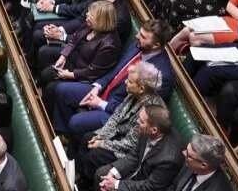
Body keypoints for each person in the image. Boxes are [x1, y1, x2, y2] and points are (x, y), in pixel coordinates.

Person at [49, 19, 175, 149]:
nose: (137, 36)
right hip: (104, 90)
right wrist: (98, 86)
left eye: (143, 36)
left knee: (76, 121)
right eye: (140, 33)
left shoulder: (161, 76)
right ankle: (68, 137)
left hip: (115, 111)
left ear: (156, 45)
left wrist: (100, 104)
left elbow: (134, 111)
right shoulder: (139, 44)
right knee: (61, 90)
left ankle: (72, 157)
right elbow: (116, 70)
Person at [75, 62, 167, 179]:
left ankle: (86, 185)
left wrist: (103, 143)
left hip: (130, 152)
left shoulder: (150, 112)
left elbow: (130, 144)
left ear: (141, 89)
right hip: (118, 136)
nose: (125, 82)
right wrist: (101, 135)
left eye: (129, 81)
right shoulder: (132, 94)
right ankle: (77, 177)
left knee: (94, 156)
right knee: (88, 138)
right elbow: (116, 117)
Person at [92, 105, 182, 191]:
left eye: (142, 121)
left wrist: (116, 184)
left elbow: (150, 187)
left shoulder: (169, 159)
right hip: (137, 171)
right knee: (101, 174)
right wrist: (113, 173)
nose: (137, 121)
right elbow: (134, 155)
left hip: (147, 183)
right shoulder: (147, 130)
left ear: (154, 130)